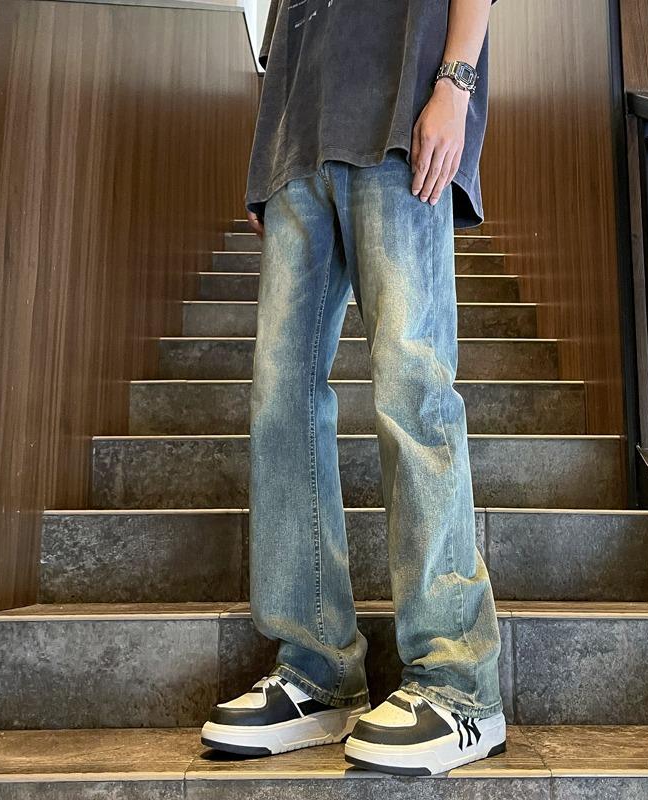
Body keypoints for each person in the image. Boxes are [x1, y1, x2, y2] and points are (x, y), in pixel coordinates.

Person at [201, 0, 504, 776]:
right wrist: (267, 156)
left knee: (412, 386)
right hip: (298, 141)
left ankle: (460, 685)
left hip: (403, 119)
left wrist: (455, 83)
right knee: (281, 401)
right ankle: (318, 669)